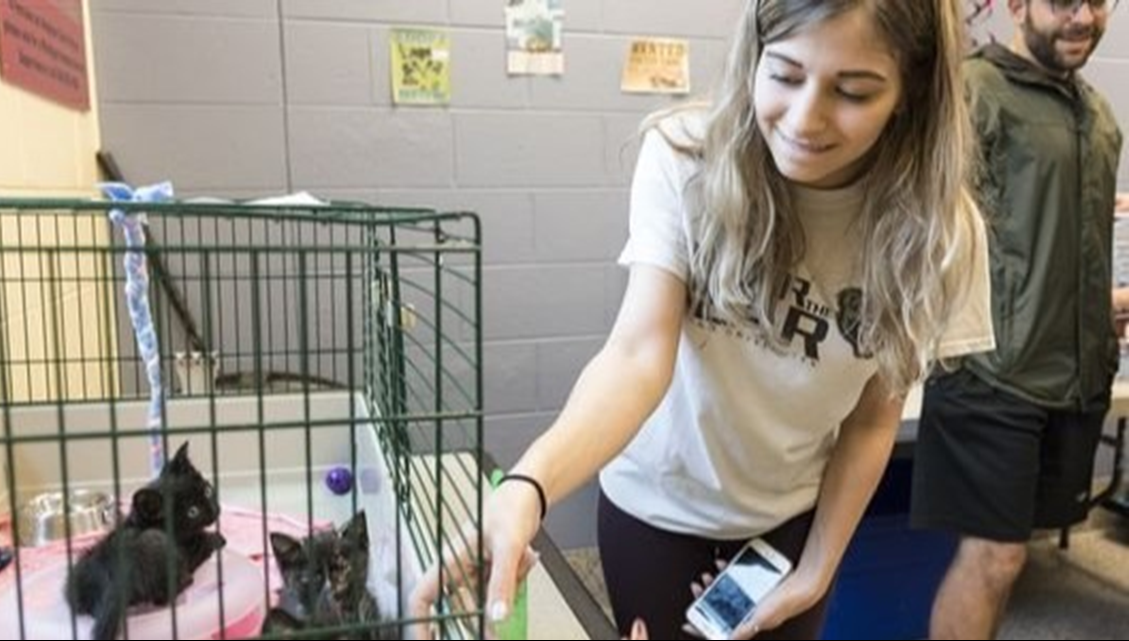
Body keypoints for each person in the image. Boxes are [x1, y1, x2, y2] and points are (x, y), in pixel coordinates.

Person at [411, 1, 994, 639]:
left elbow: (873, 419)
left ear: (910, 93)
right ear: (754, 55)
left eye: (853, 91)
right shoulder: (684, 156)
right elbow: (638, 355)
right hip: (657, 509)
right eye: (785, 75)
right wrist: (531, 482)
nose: (805, 120)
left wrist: (819, 569)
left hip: (791, 520)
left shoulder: (937, 233)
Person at [909, 1, 1124, 639]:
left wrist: (1103, 306)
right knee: (994, 557)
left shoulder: (1098, 114)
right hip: (992, 376)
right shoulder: (973, 94)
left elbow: (1052, 243)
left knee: (1012, 560)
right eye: (1062, 2)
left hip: (1074, 375)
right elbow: (924, 230)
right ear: (1016, 5)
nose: (1084, 17)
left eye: (1099, 1)